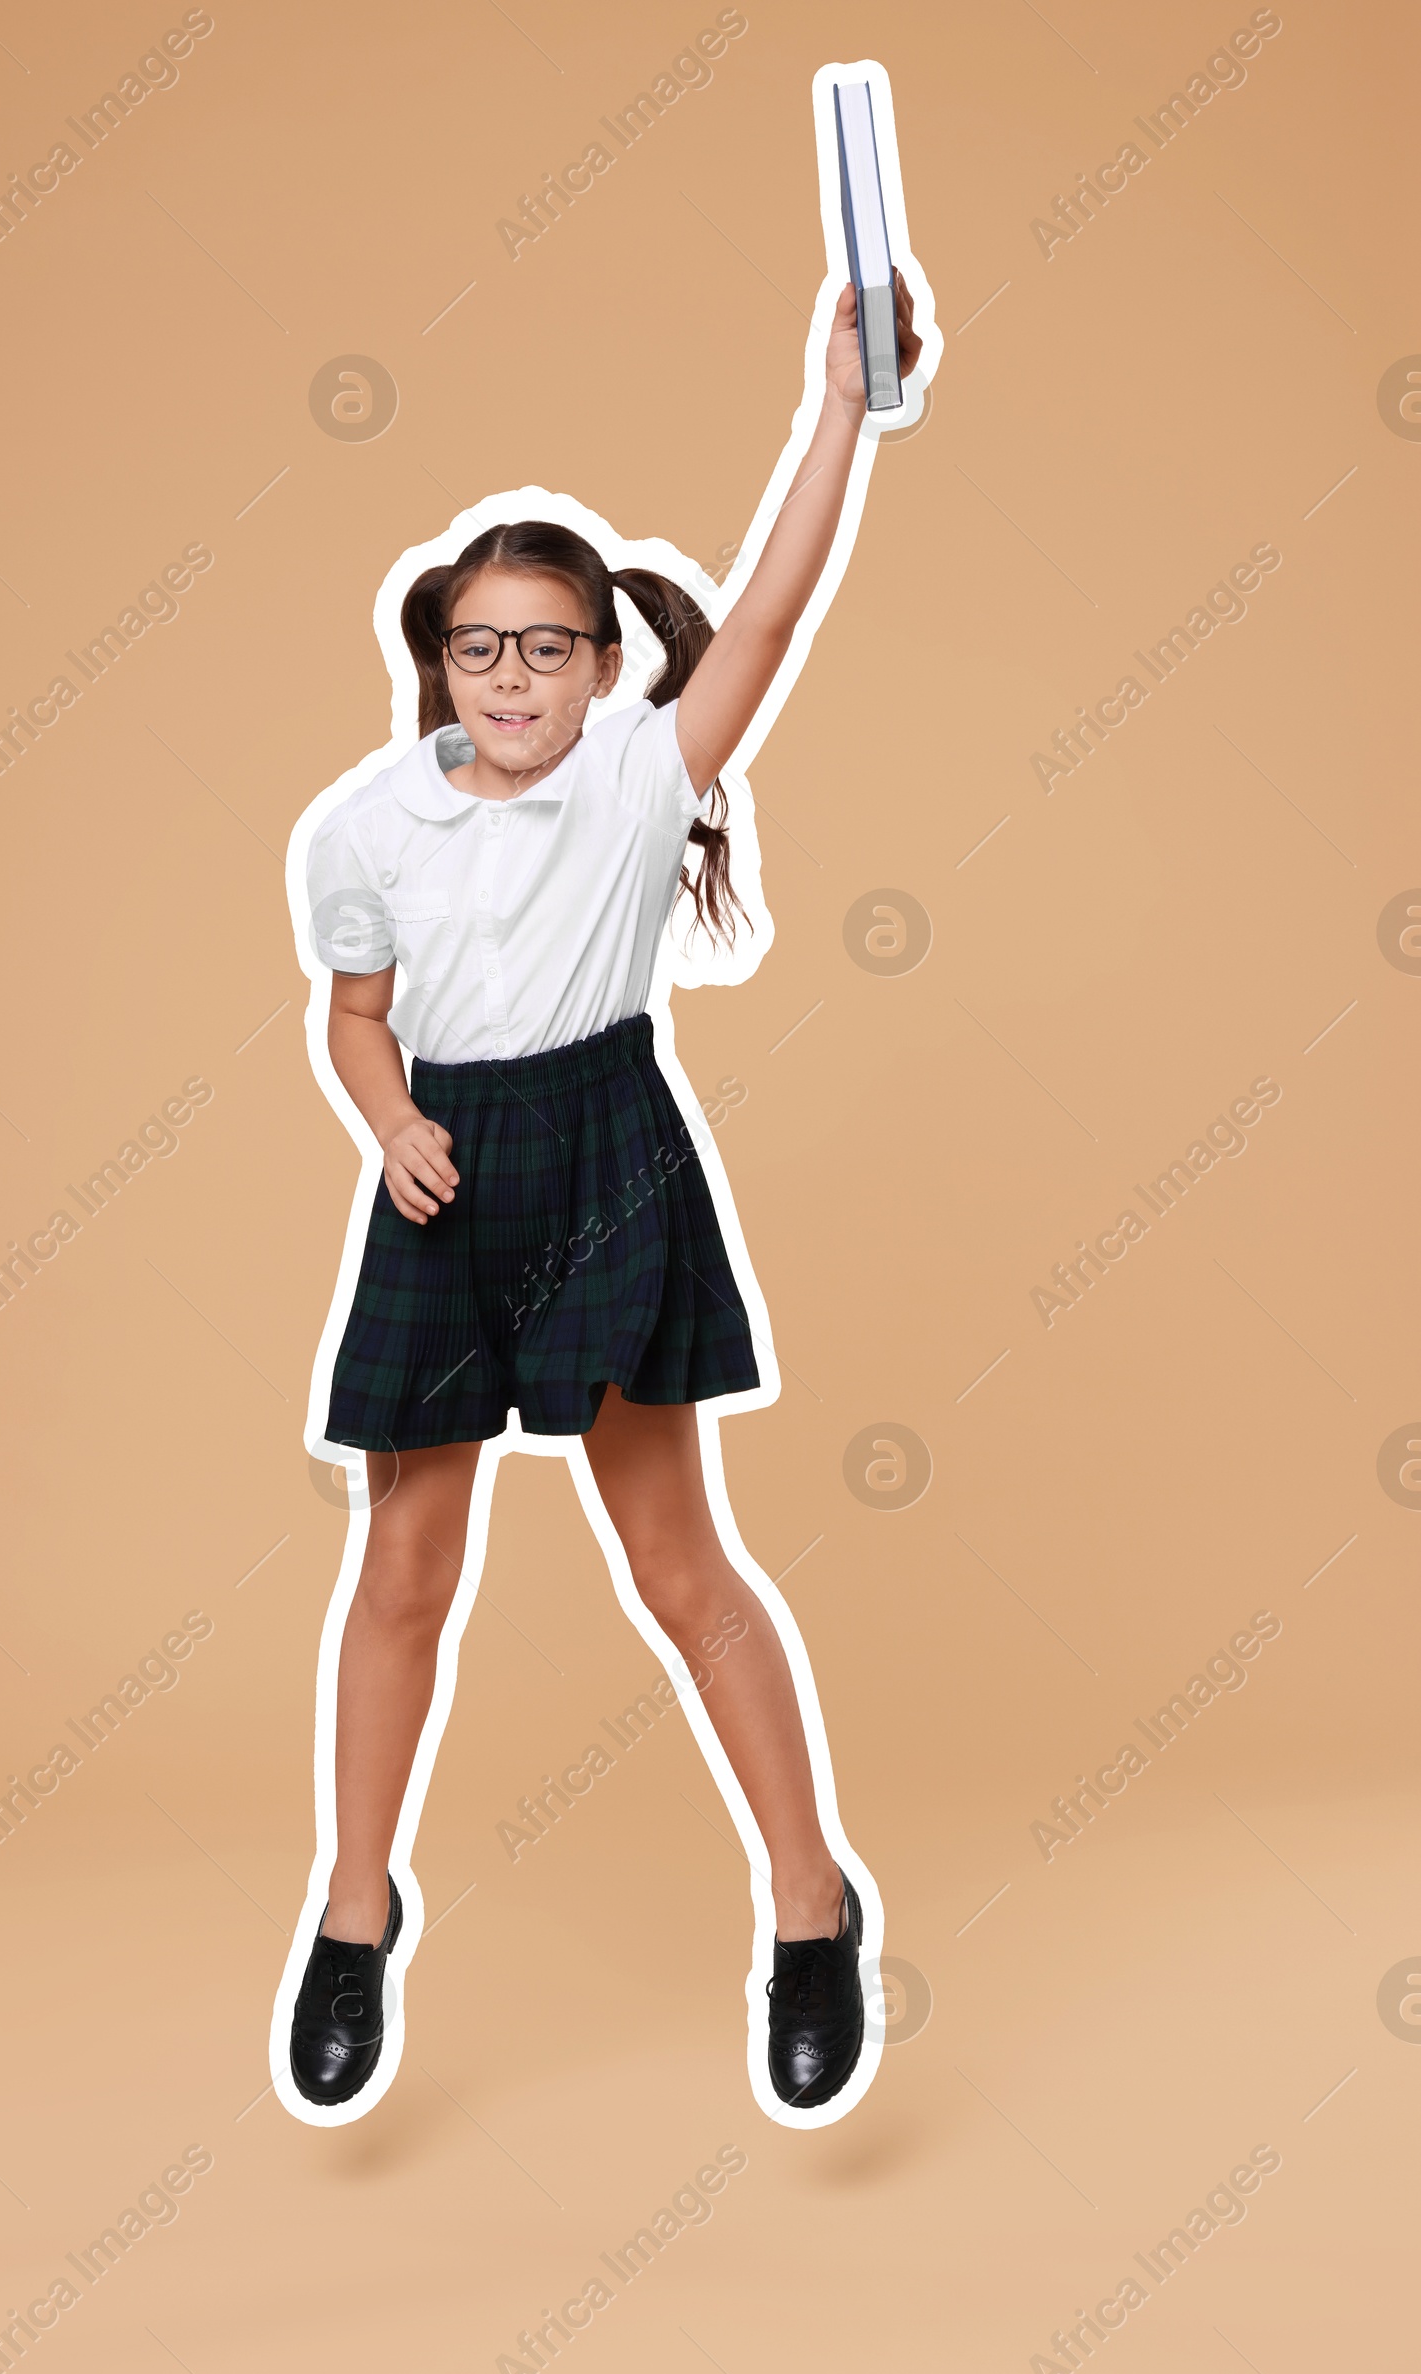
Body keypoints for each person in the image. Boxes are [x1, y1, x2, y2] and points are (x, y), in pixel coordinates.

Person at [288, 277, 922, 2117]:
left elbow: (780, 594)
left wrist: (837, 405)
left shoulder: (648, 775)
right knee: (402, 1566)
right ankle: (351, 1915)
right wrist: (388, 1118)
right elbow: (351, 1019)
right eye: (481, 651)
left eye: (548, 650)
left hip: (605, 1152)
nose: (512, 681)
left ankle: (812, 1910)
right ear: (440, 662)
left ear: (600, 663)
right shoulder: (362, 827)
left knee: (674, 1562)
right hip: (443, 1182)